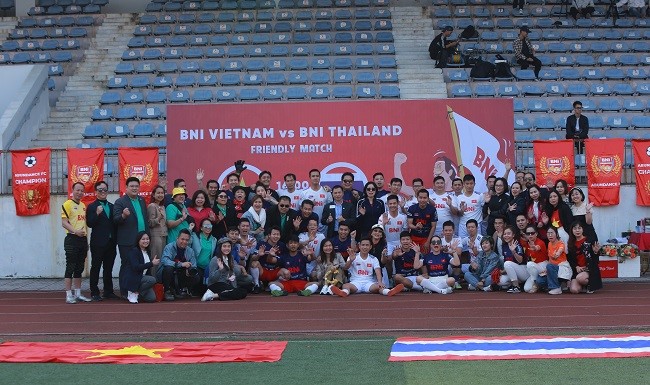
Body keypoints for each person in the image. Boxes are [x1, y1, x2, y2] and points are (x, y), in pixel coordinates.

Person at [331, 238, 404, 297]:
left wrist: (379, 282)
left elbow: (378, 272)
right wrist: (350, 260)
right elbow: (345, 268)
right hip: (355, 282)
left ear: (370, 247)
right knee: (345, 285)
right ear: (359, 246)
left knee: (380, 287)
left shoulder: (373, 258)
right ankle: (344, 293)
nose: (365, 247)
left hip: (369, 283)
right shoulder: (353, 256)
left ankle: (388, 292)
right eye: (363, 245)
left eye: (367, 245)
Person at [114, 177, 149, 297]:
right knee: (127, 266)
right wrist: (123, 215)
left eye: (136, 186)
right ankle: (124, 291)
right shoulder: (120, 202)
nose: (134, 188)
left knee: (141, 265)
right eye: (132, 186)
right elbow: (115, 220)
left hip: (142, 241)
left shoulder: (141, 200)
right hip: (127, 240)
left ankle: (137, 290)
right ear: (126, 188)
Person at [86, 180, 117, 301]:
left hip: (111, 242)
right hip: (98, 242)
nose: (103, 192)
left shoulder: (112, 206)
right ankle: (94, 292)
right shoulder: (92, 206)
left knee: (108, 268)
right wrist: (97, 214)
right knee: (96, 267)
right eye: (100, 190)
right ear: (96, 192)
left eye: (105, 190)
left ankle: (108, 291)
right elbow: (89, 223)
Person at [61, 182, 91, 304]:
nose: (80, 193)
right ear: (72, 190)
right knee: (70, 267)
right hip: (72, 239)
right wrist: (75, 231)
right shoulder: (67, 204)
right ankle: (69, 295)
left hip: (82, 240)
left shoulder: (83, 205)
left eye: (82, 191)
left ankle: (78, 293)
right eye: (77, 190)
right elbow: (64, 222)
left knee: (79, 267)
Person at [159, 229, 200, 301]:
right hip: (169, 273)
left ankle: (182, 289)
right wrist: (180, 264)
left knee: (196, 276)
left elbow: (194, 265)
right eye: (182, 239)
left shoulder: (190, 250)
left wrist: (189, 269)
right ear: (177, 238)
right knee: (169, 268)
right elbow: (165, 261)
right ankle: (167, 291)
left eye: (187, 240)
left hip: (181, 273)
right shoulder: (169, 247)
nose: (184, 242)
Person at [123, 231, 160, 303]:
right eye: (143, 239)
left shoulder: (147, 251)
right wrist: (151, 263)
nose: (146, 241)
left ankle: (137, 293)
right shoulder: (134, 251)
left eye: (147, 239)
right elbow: (136, 267)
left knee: (151, 298)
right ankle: (132, 292)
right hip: (133, 277)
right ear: (138, 240)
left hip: (142, 278)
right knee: (152, 280)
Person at [567, 221, 602, 294]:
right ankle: (582, 285)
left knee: (580, 278)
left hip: (589, 270)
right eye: (575, 229)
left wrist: (595, 252)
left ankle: (590, 284)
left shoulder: (589, 241)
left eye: (579, 228)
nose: (577, 230)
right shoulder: (571, 243)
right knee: (574, 290)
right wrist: (576, 267)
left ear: (583, 229)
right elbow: (570, 259)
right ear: (572, 230)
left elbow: (595, 260)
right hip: (578, 270)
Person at [537, 226, 573, 295]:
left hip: (561, 268)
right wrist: (546, 270)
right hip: (553, 269)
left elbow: (560, 249)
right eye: (548, 233)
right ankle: (557, 285)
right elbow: (550, 259)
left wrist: (557, 253)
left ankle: (556, 288)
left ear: (556, 234)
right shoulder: (549, 244)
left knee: (550, 266)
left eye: (552, 233)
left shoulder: (560, 243)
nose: (550, 235)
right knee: (540, 280)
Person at [250, 226, 285, 291]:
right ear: (269, 235)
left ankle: (273, 284)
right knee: (254, 263)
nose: (276, 236)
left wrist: (271, 255)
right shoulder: (262, 244)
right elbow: (253, 258)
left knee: (286, 272)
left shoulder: (282, 245)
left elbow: (278, 261)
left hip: (275, 271)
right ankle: (256, 285)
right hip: (263, 270)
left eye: (278, 234)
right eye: (274, 234)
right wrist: (258, 255)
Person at [499, 226, 530, 293]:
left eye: (508, 233)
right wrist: (502, 271)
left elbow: (520, 260)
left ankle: (516, 286)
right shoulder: (504, 246)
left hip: (523, 271)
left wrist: (513, 252)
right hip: (515, 272)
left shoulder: (517, 245)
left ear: (513, 235)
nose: (506, 235)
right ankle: (518, 283)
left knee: (507, 263)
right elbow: (508, 264)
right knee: (501, 281)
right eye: (505, 234)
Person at [300, 169, 332, 234]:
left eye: (317, 176)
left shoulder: (326, 191)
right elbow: (301, 209)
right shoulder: (304, 193)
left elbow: (331, 206)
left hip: (324, 225)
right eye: (313, 176)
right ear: (310, 178)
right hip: (309, 225)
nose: (315, 178)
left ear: (320, 177)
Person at [191, 218, 218, 292]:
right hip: (196, 265)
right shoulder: (194, 236)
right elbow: (187, 241)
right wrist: (189, 229)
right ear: (201, 228)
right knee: (197, 281)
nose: (208, 228)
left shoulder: (214, 240)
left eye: (210, 226)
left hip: (207, 267)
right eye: (205, 226)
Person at [147, 185, 167, 279]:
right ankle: (153, 282)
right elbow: (150, 223)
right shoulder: (152, 206)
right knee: (155, 260)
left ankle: (160, 283)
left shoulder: (162, 206)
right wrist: (159, 218)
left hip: (164, 236)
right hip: (155, 236)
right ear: (153, 195)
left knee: (162, 260)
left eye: (162, 193)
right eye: (158, 193)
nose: (160, 195)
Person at [457, 174, 486, 239]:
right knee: (463, 247)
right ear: (463, 184)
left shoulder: (480, 195)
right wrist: (462, 210)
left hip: (476, 226)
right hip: (463, 226)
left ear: (474, 184)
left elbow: (485, 209)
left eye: (471, 183)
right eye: (467, 184)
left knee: (478, 247)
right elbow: (459, 214)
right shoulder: (459, 197)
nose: (469, 186)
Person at [523, 225, 548, 293]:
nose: (530, 235)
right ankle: (538, 284)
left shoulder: (540, 242)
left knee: (530, 264)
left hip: (543, 265)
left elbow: (538, 247)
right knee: (527, 289)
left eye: (532, 233)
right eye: (528, 234)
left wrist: (535, 248)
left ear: (536, 233)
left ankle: (535, 284)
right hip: (534, 268)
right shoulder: (526, 244)